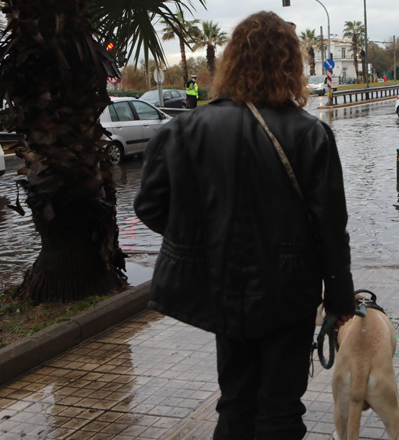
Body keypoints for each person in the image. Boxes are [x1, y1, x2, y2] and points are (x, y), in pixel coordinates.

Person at [134, 11, 355, 440]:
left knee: (235, 401)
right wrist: (340, 299)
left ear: (231, 61)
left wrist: (205, 240)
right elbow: (331, 227)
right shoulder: (310, 134)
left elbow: (150, 206)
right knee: (281, 407)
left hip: (221, 286)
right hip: (290, 291)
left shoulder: (186, 129)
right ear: (291, 65)